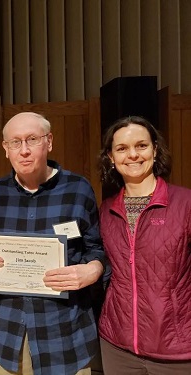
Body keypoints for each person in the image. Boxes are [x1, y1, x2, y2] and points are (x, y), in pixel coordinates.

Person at [0, 112, 105, 375]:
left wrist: (93, 269)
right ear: (5, 149)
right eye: (15, 142)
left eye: (32, 139)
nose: (24, 150)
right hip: (2, 336)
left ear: (49, 141)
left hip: (64, 336)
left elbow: (96, 248)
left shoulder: (78, 189)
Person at [97, 116, 191, 374]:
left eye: (141, 146)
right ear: (111, 157)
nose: (133, 155)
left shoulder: (185, 203)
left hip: (177, 350)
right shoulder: (106, 210)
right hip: (117, 346)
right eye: (122, 149)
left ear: (155, 150)